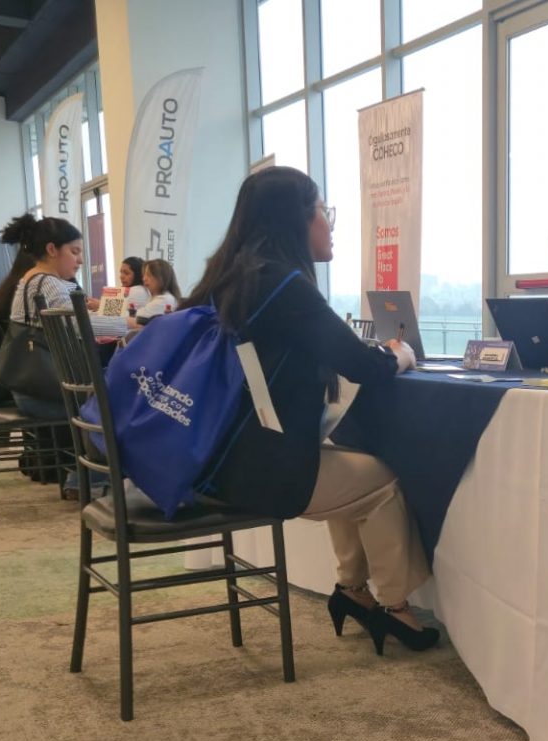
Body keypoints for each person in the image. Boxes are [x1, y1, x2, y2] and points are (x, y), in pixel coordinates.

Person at [186, 165, 438, 653]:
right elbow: (364, 366)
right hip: (259, 471)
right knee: (382, 483)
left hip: (218, 458)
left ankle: (352, 590)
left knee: (353, 468)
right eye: (324, 211)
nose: (329, 224)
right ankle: (396, 609)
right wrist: (402, 354)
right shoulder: (284, 286)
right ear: (296, 219)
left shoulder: (230, 277)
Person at [0, 213, 83, 422]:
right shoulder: (48, 283)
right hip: (48, 399)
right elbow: (81, 327)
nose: (80, 260)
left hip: (30, 393)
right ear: (52, 249)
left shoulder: (31, 278)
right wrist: (129, 323)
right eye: (75, 252)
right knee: (119, 402)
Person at [126, 258, 180, 333]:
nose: (144, 279)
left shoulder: (164, 300)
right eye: (144, 275)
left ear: (162, 277)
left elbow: (136, 318)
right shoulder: (157, 297)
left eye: (149, 275)